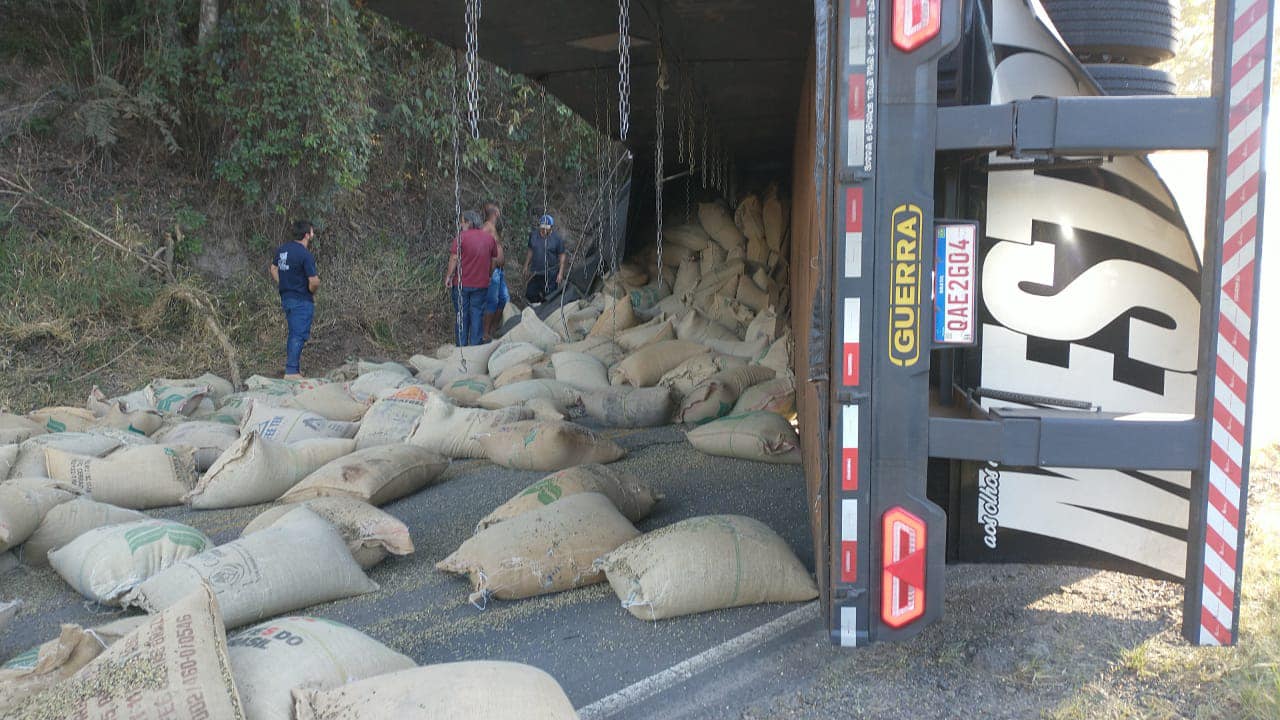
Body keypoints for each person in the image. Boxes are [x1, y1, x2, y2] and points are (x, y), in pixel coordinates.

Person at [269, 220, 320, 379]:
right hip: (301, 299)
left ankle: (294, 368)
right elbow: (313, 281)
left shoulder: (282, 249)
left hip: (286, 297)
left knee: (293, 333)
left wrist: (283, 283)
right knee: (299, 334)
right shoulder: (305, 254)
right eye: (311, 232)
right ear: (307, 235)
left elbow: (273, 268)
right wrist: (312, 290)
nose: (312, 234)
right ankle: (291, 372)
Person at [445, 210, 500, 346]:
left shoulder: (461, 237)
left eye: (462, 221)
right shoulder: (489, 238)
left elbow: (454, 258)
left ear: (469, 223)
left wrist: (448, 276)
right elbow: (494, 259)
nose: (460, 224)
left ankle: (461, 349)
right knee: (477, 316)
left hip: (461, 284)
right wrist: (488, 274)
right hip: (481, 285)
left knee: (462, 316)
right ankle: (475, 349)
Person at [481, 203, 510, 341]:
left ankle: (493, 329)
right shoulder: (487, 227)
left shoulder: (492, 228)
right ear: (495, 213)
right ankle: (486, 333)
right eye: (498, 210)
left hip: (499, 271)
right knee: (492, 301)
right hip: (493, 271)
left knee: (504, 299)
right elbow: (479, 245)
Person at [524, 214, 566, 304]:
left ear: (551, 227)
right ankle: (538, 305)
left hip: (551, 273)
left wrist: (560, 273)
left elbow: (562, 255)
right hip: (536, 272)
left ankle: (545, 308)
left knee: (549, 295)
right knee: (530, 293)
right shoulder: (533, 235)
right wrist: (526, 265)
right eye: (542, 228)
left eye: (546, 228)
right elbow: (530, 250)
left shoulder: (557, 239)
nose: (544, 230)